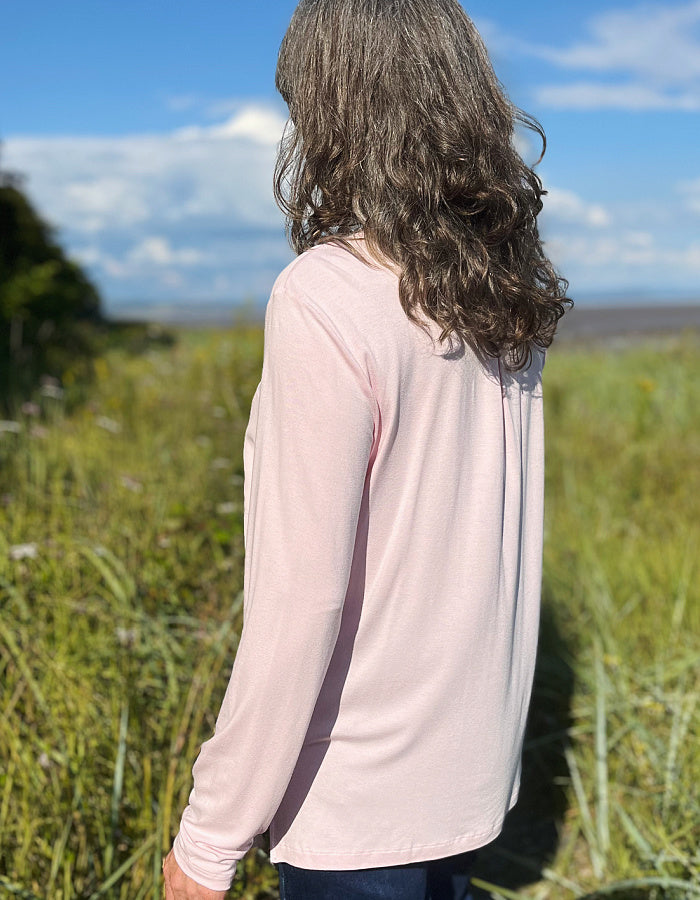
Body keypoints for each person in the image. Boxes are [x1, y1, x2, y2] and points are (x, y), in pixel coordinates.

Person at [162, 0, 571, 897]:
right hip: (467, 785)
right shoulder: (499, 292)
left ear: (337, 108)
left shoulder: (325, 296)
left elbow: (301, 603)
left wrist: (206, 842)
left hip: (352, 805)